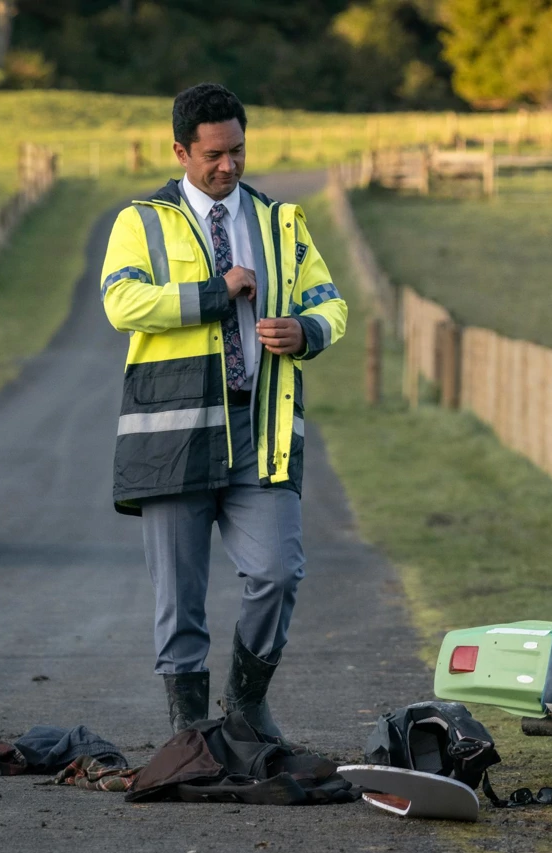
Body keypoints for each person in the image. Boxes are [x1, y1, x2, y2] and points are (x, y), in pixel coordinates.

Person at [99, 83, 347, 738]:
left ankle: (244, 705)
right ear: (181, 150)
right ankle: (188, 733)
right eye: (213, 154)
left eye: (237, 151)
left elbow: (331, 302)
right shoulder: (139, 221)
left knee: (277, 571)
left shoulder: (279, 221)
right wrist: (216, 292)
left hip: (260, 428)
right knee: (178, 599)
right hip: (172, 435)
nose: (229, 166)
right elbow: (121, 304)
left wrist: (307, 331)